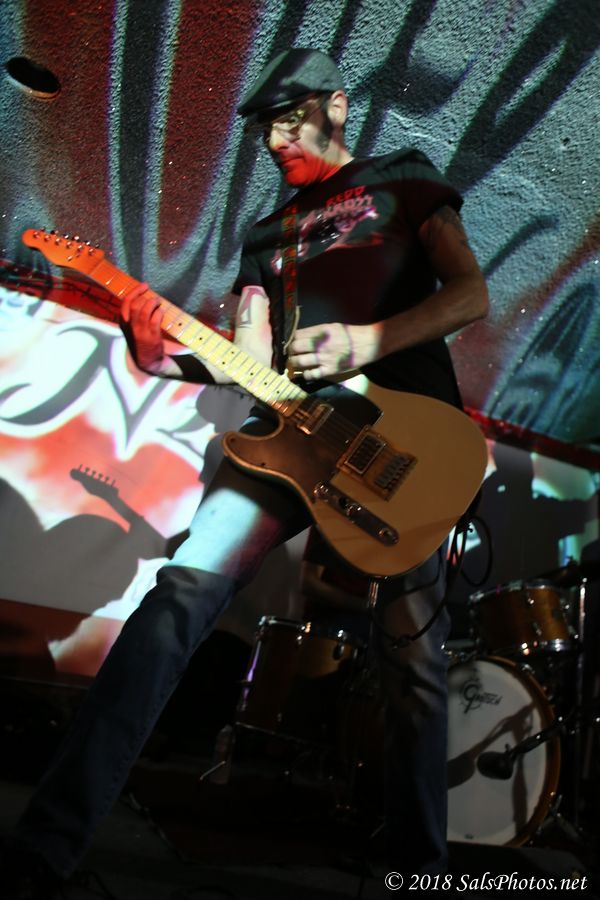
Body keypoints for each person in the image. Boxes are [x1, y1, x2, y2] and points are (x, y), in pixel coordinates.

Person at [1, 48, 488, 897]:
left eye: (290, 117)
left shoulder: (404, 178)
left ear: (338, 106)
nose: (273, 139)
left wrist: (368, 341)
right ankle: (47, 845)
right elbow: (249, 363)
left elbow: (470, 294)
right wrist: (157, 351)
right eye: (265, 126)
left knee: (412, 659)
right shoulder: (267, 235)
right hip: (286, 439)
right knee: (176, 597)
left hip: (402, 444)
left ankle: (424, 875)